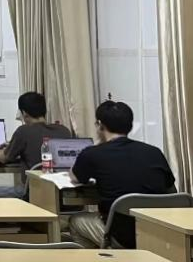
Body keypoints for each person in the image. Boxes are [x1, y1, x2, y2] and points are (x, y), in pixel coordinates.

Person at [69, 101, 175, 248]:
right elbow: (171, 191)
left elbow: (74, 177)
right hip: (160, 233)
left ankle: (103, 259)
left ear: (100, 125)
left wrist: (97, 145)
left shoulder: (92, 153)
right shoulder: (154, 152)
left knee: (75, 221)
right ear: (130, 126)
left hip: (121, 237)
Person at [0, 91, 72, 198]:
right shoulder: (63, 130)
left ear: (24, 113)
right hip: (60, 192)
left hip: (31, 191)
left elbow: (4, 158)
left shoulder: (23, 131)